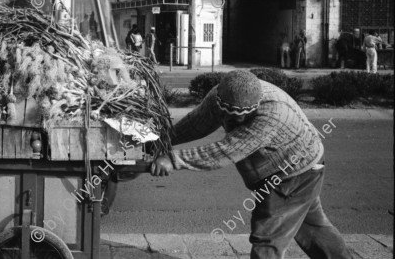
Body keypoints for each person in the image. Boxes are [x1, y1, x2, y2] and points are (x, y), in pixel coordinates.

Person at [150, 70, 353, 259]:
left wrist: (172, 159)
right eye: (231, 112)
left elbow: (228, 150)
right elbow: (197, 123)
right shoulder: (218, 95)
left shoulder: (272, 114)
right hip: (305, 166)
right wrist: (161, 141)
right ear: (220, 100)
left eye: (244, 113)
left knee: (267, 237)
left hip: (293, 174)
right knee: (313, 227)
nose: (238, 118)